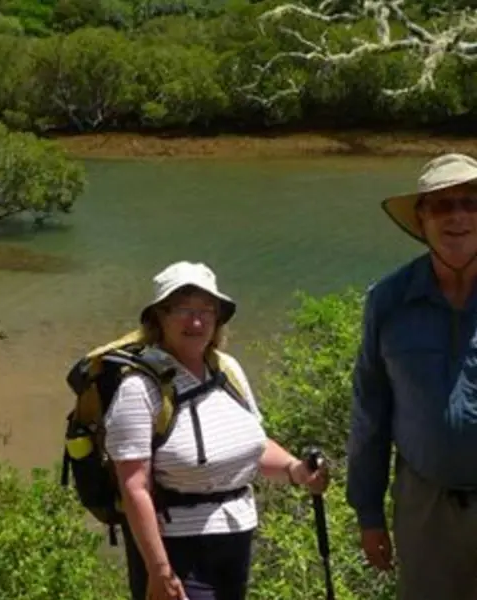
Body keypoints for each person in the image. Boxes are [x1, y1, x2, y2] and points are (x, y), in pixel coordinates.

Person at [104, 260, 330, 600]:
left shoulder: (226, 369)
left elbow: (251, 443)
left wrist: (295, 470)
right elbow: (134, 486)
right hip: (178, 550)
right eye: (182, 309)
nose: (196, 321)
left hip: (235, 541)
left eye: (206, 310)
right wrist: (159, 570)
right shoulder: (139, 388)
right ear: (159, 318)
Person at [347, 152, 477, 599]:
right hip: (425, 508)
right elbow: (370, 413)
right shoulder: (388, 301)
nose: (457, 215)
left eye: (471, 202)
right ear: (421, 220)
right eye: (442, 204)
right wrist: (368, 512)